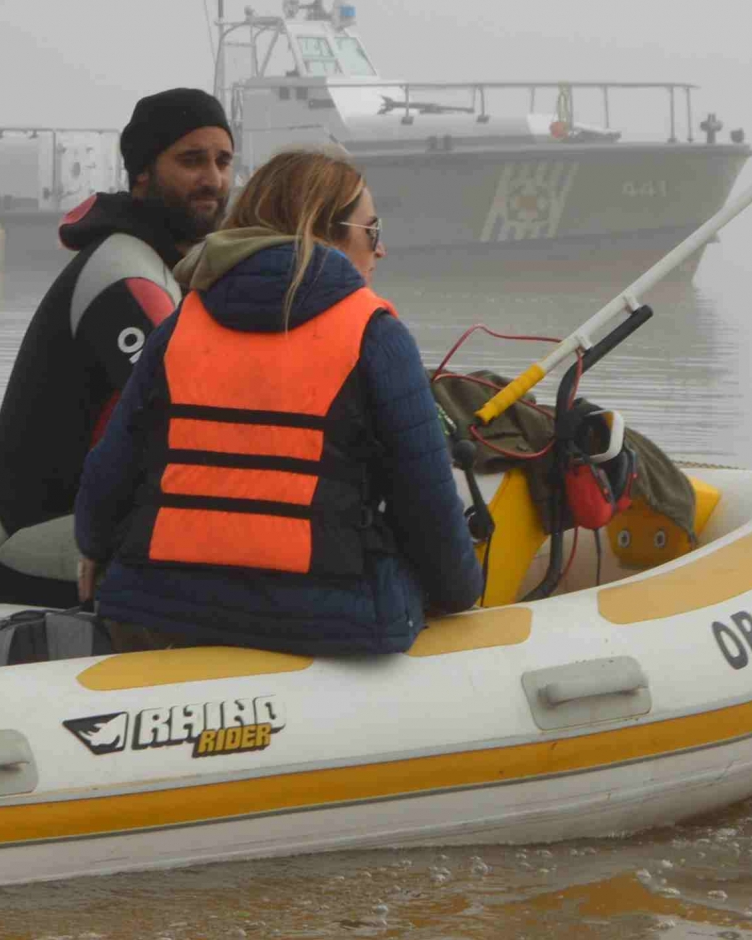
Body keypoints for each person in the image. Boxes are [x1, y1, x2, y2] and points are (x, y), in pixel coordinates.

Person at [74, 146, 481, 654]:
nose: (380, 251)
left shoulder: (181, 324)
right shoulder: (374, 335)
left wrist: (93, 550)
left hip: (160, 615)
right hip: (327, 625)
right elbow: (431, 515)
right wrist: (464, 595)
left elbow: (104, 486)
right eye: (371, 231)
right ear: (323, 231)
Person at [0, 88, 233, 606]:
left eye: (223, 161)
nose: (213, 179)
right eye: (191, 160)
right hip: (19, 539)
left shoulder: (172, 268)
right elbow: (187, 416)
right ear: (143, 174)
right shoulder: (124, 272)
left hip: (95, 517)